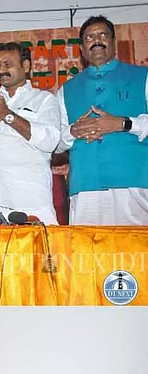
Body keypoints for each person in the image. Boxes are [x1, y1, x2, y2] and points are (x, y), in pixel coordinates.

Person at [57, 15, 148, 225]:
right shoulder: (66, 90)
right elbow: (57, 144)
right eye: (89, 37)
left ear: (113, 42)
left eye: (102, 35)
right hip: (85, 186)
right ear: (81, 48)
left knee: (137, 252)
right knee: (88, 252)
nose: (96, 40)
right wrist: (73, 132)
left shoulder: (142, 76)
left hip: (133, 182)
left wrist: (123, 124)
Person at [0, 42, 60, 224]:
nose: (1, 71)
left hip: (30, 204)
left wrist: (6, 114)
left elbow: (50, 141)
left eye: (8, 64)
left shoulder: (44, 100)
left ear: (26, 66)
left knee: (37, 253)